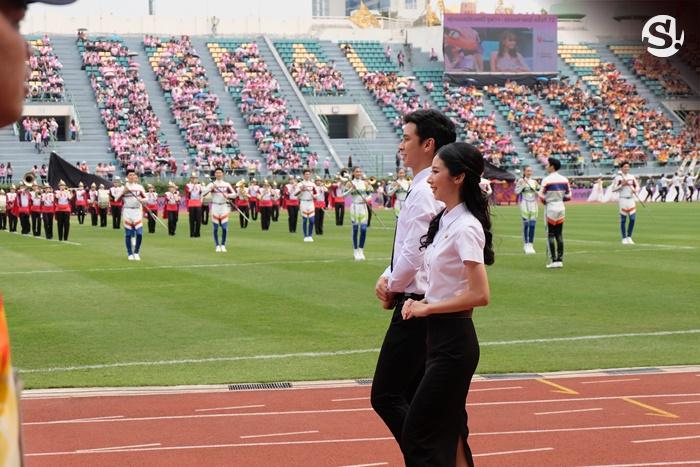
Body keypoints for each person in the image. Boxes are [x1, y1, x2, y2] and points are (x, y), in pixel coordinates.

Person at [400, 142, 492, 467]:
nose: (429, 179)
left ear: (458, 177)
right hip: (438, 340)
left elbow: (480, 295)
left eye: (436, 171)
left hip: (454, 343)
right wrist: (420, 301)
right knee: (450, 430)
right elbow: (444, 284)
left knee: (418, 431)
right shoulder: (445, 219)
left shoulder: (466, 226)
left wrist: (428, 308)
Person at [372, 108, 457, 452]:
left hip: (416, 302)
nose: (401, 145)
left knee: (387, 395)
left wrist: (391, 284)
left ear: (429, 144)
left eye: (407, 138)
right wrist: (388, 276)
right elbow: (409, 246)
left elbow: (415, 251)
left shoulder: (425, 190)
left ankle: (428, 457)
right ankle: (432, 455)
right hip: (420, 297)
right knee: (411, 395)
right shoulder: (425, 186)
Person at [538, 158, 571, 268]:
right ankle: (560, 260)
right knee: (559, 234)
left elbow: (541, 196)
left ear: (552, 166)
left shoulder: (546, 180)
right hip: (561, 206)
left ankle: (553, 260)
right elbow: (569, 196)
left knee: (550, 234)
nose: (547, 166)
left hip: (551, 207)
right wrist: (560, 198)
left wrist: (546, 201)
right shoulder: (564, 179)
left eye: (548, 165)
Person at [202, 167, 236, 252]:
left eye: (220, 172)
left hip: (224, 207)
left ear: (222, 174)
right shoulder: (211, 184)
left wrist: (228, 195)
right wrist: (211, 188)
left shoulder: (226, 184)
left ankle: (223, 245)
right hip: (215, 207)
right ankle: (217, 245)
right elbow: (203, 193)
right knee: (216, 228)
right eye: (217, 173)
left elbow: (234, 194)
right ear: (215, 174)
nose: (218, 174)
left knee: (224, 228)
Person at [116, 169, 146, 260]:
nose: (132, 177)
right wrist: (123, 192)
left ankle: (136, 252)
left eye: (133, 175)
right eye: (130, 175)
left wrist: (142, 200)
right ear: (127, 177)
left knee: (139, 233)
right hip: (127, 211)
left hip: (137, 211)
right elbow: (116, 199)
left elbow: (146, 198)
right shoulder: (123, 187)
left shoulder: (139, 187)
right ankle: (129, 253)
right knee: (128, 234)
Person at [343, 167, 372, 260]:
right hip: (355, 207)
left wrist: (367, 199)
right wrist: (351, 189)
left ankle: (361, 250)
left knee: (363, 229)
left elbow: (369, 194)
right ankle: (355, 251)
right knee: (355, 229)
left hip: (363, 207)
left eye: (360, 171)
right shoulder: (349, 183)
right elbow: (344, 195)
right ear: (353, 173)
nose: (358, 173)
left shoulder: (365, 183)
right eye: (357, 171)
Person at [612, 161, 638, 245]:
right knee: (623, 220)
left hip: (631, 200)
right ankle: (624, 238)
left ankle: (629, 236)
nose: (627, 168)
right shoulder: (618, 178)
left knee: (632, 219)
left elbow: (637, 186)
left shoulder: (632, 177)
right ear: (621, 168)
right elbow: (613, 189)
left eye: (628, 167)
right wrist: (622, 185)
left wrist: (635, 190)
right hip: (623, 199)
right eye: (625, 167)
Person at [515, 166, 539, 254]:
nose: (529, 172)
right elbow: (516, 192)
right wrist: (522, 185)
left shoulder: (534, 182)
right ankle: (526, 245)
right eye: (528, 171)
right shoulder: (521, 181)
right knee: (526, 224)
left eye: (530, 171)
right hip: (524, 203)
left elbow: (539, 192)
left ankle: (531, 244)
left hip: (534, 204)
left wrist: (536, 189)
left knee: (532, 225)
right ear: (524, 172)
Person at [299, 169, 316, 242]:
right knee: (305, 220)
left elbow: (316, 193)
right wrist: (301, 190)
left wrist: (315, 196)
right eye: (306, 174)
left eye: (308, 174)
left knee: (312, 220)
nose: (307, 175)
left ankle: (310, 235)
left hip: (311, 202)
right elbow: (296, 194)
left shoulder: (312, 184)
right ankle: (305, 236)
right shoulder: (300, 184)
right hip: (303, 202)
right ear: (303, 175)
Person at [185, 173, 203, 237]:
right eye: (192, 178)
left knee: (198, 219)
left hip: (198, 203)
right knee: (192, 219)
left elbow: (203, 192)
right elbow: (188, 192)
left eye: (195, 178)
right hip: (191, 203)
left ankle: (197, 233)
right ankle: (192, 233)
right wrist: (193, 185)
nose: (194, 179)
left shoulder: (200, 185)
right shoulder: (188, 185)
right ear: (191, 178)